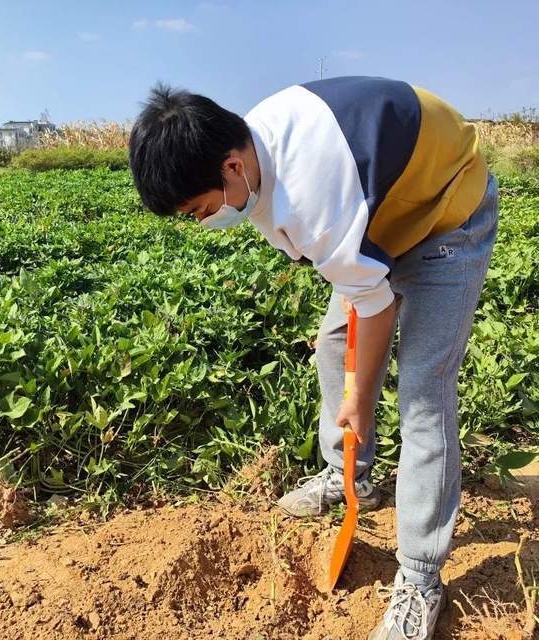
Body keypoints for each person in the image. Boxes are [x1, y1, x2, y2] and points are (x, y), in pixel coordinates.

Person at [128, 75, 499, 640]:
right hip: (375, 218)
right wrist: (356, 382)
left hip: (447, 214)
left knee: (423, 392)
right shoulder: (254, 159)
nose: (201, 222)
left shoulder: (312, 190)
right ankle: (350, 475)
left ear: (230, 167)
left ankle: (421, 576)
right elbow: (357, 288)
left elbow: (372, 309)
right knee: (331, 344)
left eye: (199, 210)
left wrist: (361, 400)